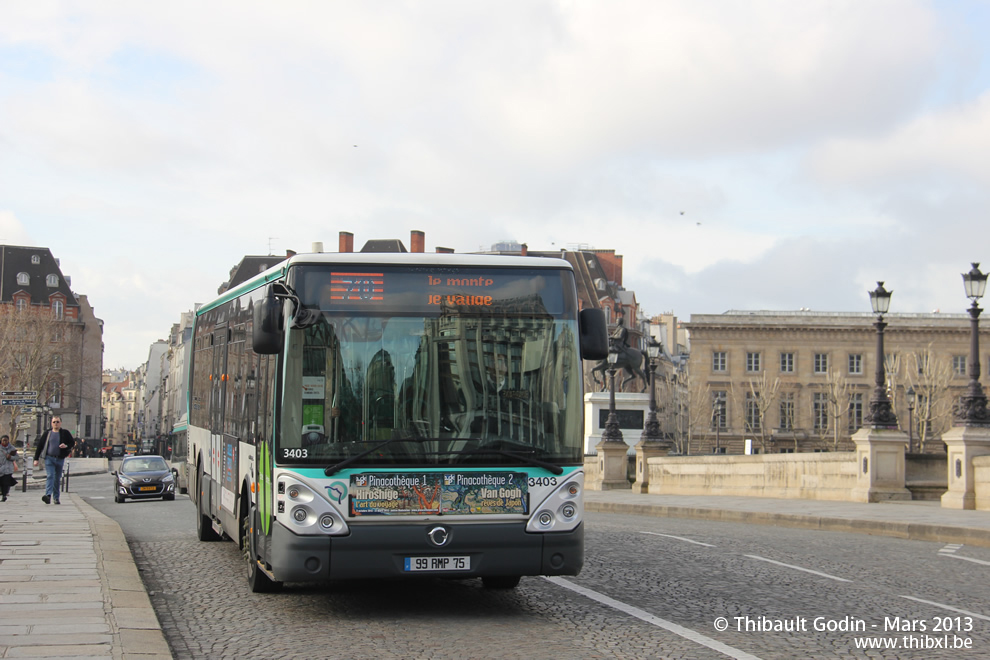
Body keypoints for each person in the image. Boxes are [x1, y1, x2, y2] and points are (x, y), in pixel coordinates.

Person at [33, 416, 75, 505]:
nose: (56, 424)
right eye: (54, 422)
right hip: (49, 458)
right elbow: (40, 446)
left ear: (60, 423)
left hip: (60, 458)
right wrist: (36, 459)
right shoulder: (47, 433)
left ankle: (56, 497)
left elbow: (72, 442)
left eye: (57, 422)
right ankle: (48, 495)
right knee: (50, 476)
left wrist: (66, 445)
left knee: (57, 479)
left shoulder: (65, 433)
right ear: (51, 423)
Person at [0, 435, 18, 502]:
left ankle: (4, 495)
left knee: (5, 483)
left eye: (6, 440)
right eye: (3, 440)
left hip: (8, 468)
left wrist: (10, 457)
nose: (4, 442)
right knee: (1, 482)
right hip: (1, 467)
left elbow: (16, 457)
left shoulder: (12, 448)